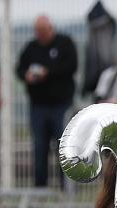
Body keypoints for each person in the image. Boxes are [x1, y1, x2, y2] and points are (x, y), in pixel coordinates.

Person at [16, 15, 78, 188]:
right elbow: (19, 69)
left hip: (61, 106)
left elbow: (71, 66)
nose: (40, 35)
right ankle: (40, 189)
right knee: (39, 147)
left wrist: (47, 72)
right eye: (38, 31)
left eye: (43, 31)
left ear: (51, 28)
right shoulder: (31, 47)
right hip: (38, 106)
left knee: (64, 146)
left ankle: (66, 188)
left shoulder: (65, 43)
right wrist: (27, 75)